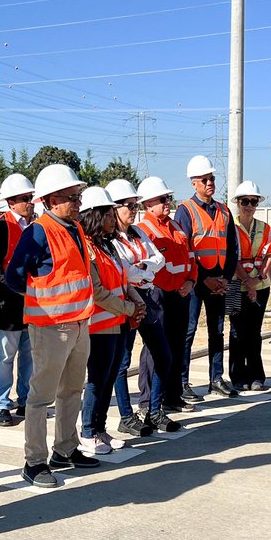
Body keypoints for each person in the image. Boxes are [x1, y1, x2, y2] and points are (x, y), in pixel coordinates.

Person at [3, 163, 104, 488]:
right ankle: (34, 461)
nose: (77, 201)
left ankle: (65, 448)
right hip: (50, 326)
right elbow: (14, 277)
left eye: (78, 195)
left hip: (78, 324)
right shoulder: (38, 231)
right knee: (40, 397)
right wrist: (42, 299)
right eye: (70, 196)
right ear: (49, 200)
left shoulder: (75, 229)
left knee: (72, 390)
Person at [77, 186, 145, 454]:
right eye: (107, 213)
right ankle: (87, 432)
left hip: (117, 323)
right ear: (95, 215)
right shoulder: (87, 247)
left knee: (108, 379)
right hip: (99, 325)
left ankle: (100, 429)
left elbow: (122, 278)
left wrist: (136, 301)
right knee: (96, 379)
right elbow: (98, 292)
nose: (111, 218)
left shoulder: (108, 245)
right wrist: (129, 308)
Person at [174, 155, 240, 400]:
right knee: (188, 331)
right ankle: (182, 381)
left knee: (218, 331)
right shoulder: (185, 211)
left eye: (212, 178)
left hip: (220, 281)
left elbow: (232, 248)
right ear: (194, 183)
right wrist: (203, 279)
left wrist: (226, 278)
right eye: (205, 179)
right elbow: (184, 250)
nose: (210, 183)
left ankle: (216, 378)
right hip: (195, 281)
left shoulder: (223, 210)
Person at [107, 178, 168, 439]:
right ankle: (125, 415)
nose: (133, 210)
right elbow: (124, 269)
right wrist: (144, 268)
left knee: (162, 355)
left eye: (135, 205)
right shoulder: (109, 238)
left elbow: (159, 259)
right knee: (122, 361)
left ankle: (153, 410)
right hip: (127, 299)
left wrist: (144, 267)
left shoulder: (138, 233)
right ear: (114, 208)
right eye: (128, 206)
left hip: (148, 295)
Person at [135, 176, 196, 432]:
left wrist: (191, 281)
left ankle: (171, 396)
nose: (167, 203)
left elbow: (191, 256)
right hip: (159, 293)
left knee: (176, 344)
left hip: (181, 293)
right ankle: (148, 401)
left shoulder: (177, 227)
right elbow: (151, 266)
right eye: (162, 199)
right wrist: (174, 284)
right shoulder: (144, 229)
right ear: (148, 204)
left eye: (168, 198)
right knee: (154, 349)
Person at [0, 173, 35, 427]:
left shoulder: (34, 228)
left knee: (29, 355)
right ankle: (2, 405)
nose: (31, 202)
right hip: (8, 305)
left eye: (31, 197)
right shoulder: (0, 228)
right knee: (5, 357)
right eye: (26, 198)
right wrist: (16, 288)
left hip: (30, 305)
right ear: (11, 202)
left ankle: (25, 400)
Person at [229, 180, 271, 392]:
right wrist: (247, 281)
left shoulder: (265, 229)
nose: (249, 205)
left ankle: (256, 376)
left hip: (260, 285)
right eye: (245, 201)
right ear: (238, 202)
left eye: (253, 201)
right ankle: (237, 376)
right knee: (236, 331)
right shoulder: (230, 228)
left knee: (254, 332)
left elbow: (270, 256)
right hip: (234, 287)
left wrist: (256, 281)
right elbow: (231, 258)